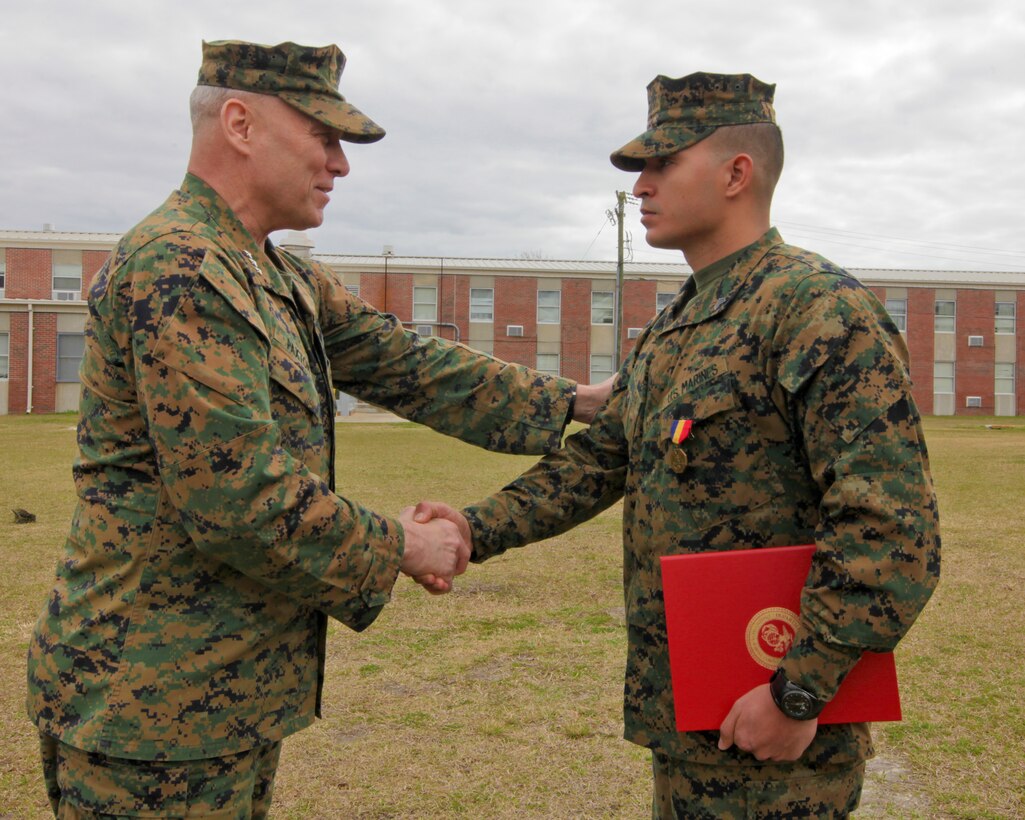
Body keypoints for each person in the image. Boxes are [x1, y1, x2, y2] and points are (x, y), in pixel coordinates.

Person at [26, 39, 611, 818]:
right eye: (322, 137)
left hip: (213, 697)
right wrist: (404, 544)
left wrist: (572, 401)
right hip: (147, 705)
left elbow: (408, 362)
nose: (339, 164)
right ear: (239, 123)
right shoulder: (179, 267)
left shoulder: (270, 272)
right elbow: (237, 496)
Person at [418, 72, 941, 817]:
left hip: (777, 723)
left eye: (662, 163)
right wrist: (475, 527)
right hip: (693, 711)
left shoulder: (817, 311)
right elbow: (601, 458)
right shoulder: (679, 325)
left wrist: (799, 691)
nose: (640, 188)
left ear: (737, 173)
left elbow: (891, 529)